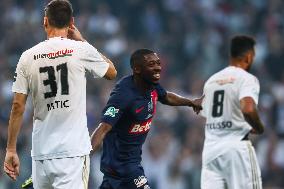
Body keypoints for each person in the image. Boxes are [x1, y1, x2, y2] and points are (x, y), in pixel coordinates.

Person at [3, 0, 117, 189]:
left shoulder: (27, 57)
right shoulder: (80, 50)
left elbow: (17, 106)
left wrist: (11, 149)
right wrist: (82, 40)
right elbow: (111, 72)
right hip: (71, 152)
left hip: (41, 153)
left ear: (45, 21)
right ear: (72, 22)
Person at [90, 48, 203, 189]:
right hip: (122, 167)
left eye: (157, 63)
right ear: (137, 69)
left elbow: (166, 96)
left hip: (129, 165)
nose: (157, 67)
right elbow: (104, 127)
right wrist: (85, 157)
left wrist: (190, 102)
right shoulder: (124, 94)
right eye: (151, 64)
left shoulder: (151, 85)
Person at [200, 35, 265, 189]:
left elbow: (206, 114)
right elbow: (248, 108)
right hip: (237, 149)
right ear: (249, 57)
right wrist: (259, 127)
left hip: (211, 150)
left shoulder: (211, 81)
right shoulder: (247, 78)